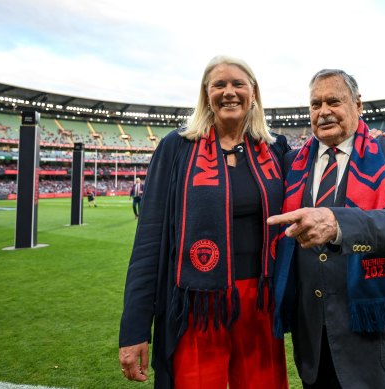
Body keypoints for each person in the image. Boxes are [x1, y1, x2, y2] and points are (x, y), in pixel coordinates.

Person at [119, 55, 289, 389]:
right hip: (196, 306)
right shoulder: (176, 148)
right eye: (219, 85)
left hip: (261, 305)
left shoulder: (276, 149)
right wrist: (135, 328)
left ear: (253, 93)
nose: (229, 92)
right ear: (206, 95)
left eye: (238, 83)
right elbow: (150, 238)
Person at [267, 69, 385, 389]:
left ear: (358, 105)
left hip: (376, 344)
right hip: (314, 345)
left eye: (334, 101)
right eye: (315, 104)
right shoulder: (293, 162)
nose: (323, 111)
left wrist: (339, 224)